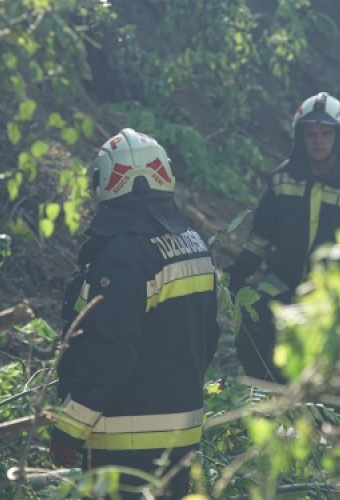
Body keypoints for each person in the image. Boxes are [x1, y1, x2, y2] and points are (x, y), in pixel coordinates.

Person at [49, 128, 221, 499]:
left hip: (124, 444)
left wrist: (69, 429)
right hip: (182, 435)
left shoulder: (123, 256)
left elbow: (109, 351)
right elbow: (209, 337)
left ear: (106, 181)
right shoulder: (194, 244)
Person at [225, 92, 340, 384]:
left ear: (339, 138)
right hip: (282, 281)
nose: (318, 141)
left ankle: (322, 413)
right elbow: (261, 234)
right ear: (299, 136)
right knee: (253, 322)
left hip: (333, 290)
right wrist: (239, 274)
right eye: (311, 133)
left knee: (328, 356)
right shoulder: (283, 178)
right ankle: (265, 394)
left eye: (325, 134)